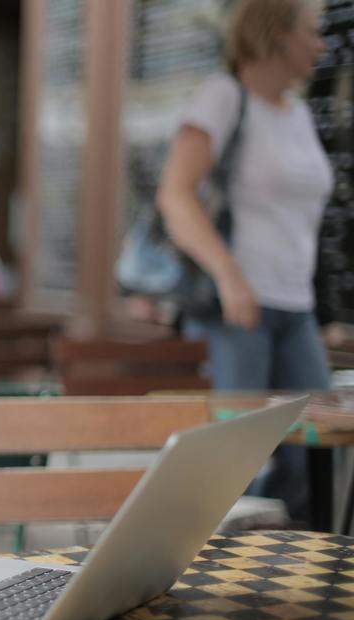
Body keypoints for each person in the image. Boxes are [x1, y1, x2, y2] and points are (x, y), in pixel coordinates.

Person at [157, 0, 330, 523]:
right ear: (278, 34)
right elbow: (175, 195)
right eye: (312, 32)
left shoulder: (298, 113)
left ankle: (296, 590)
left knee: (313, 454)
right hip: (237, 312)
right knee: (239, 465)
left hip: (296, 309)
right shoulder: (224, 97)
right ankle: (216, 587)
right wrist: (231, 277)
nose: (321, 45)